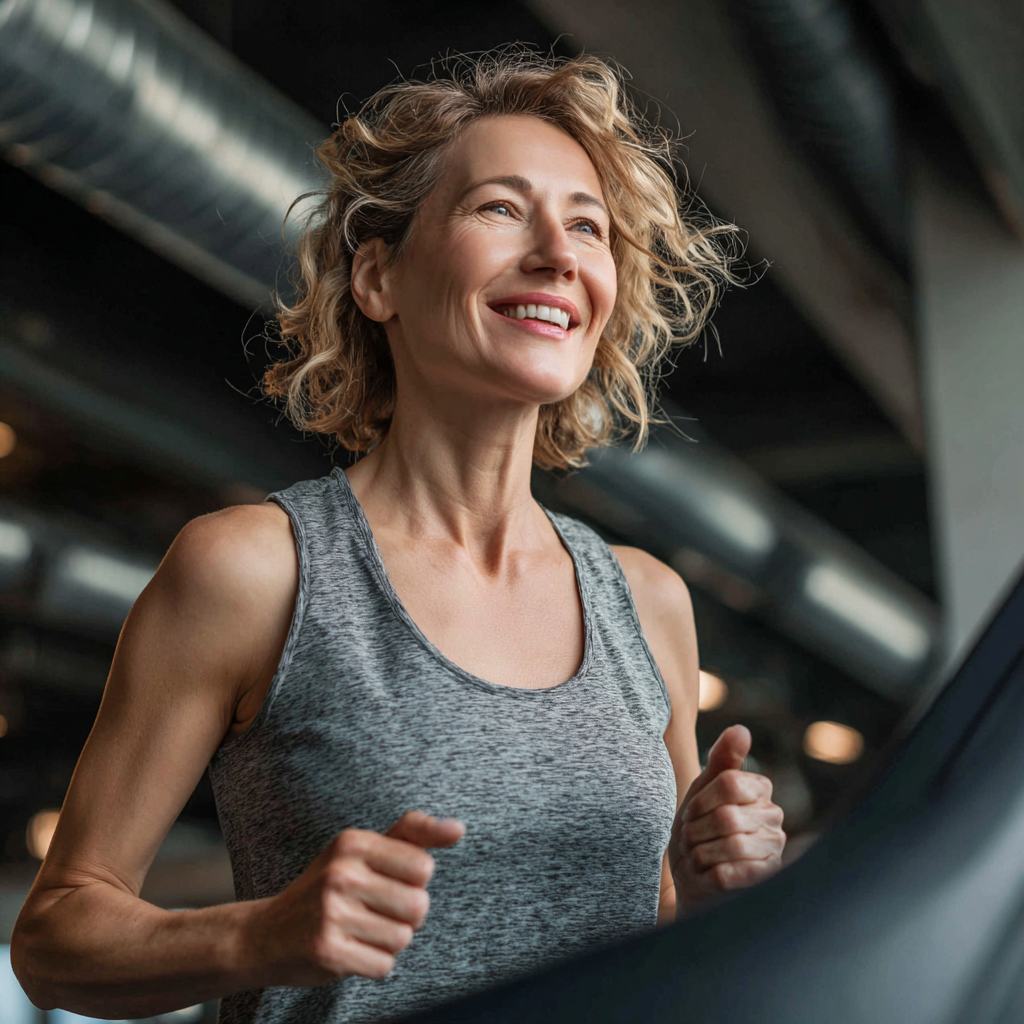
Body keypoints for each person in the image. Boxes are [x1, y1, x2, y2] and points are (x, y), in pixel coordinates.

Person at [12, 50, 786, 1023]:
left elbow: (647, 933)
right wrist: (256, 935)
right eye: (501, 209)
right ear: (377, 276)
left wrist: (711, 894)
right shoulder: (258, 570)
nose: (557, 251)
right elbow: (55, 936)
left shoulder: (647, 600)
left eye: (586, 225)